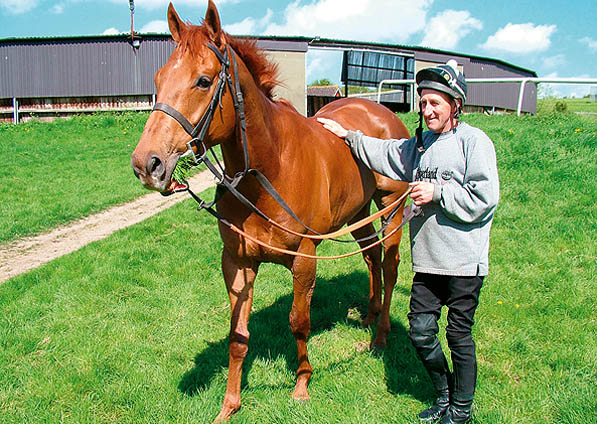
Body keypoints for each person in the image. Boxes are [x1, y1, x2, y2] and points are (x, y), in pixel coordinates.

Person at [318, 60, 499, 424]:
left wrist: (438, 192)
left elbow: (485, 197)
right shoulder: (419, 146)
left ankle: (461, 411)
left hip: (464, 262)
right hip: (429, 261)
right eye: (424, 102)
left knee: (458, 336)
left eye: (436, 103)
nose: (427, 109)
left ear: (455, 105)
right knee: (420, 331)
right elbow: (385, 153)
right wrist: (348, 136)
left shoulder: (473, 142)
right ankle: (445, 395)